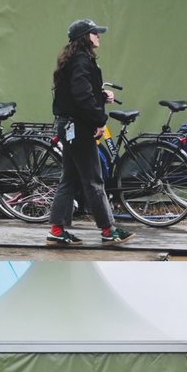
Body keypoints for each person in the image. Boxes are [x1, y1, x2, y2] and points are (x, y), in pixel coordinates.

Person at [48, 17, 133, 247]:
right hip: (78, 127)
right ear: (84, 38)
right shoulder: (81, 62)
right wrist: (100, 120)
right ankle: (108, 230)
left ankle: (57, 230)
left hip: (70, 126)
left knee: (70, 179)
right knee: (94, 180)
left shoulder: (76, 60)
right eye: (95, 33)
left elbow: (81, 92)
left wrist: (102, 95)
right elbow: (82, 97)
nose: (99, 36)